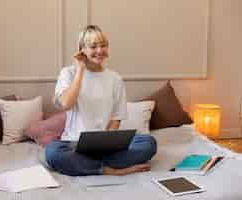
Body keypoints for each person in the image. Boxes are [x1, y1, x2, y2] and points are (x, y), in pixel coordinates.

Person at [43, 25, 157, 176]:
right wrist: (80, 70)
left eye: (103, 45)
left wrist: (105, 144)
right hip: (73, 143)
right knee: (53, 153)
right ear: (81, 49)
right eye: (93, 46)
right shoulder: (68, 73)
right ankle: (108, 169)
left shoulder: (115, 78)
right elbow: (66, 104)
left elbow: (116, 118)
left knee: (148, 143)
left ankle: (87, 164)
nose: (100, 50)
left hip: (105, 144)